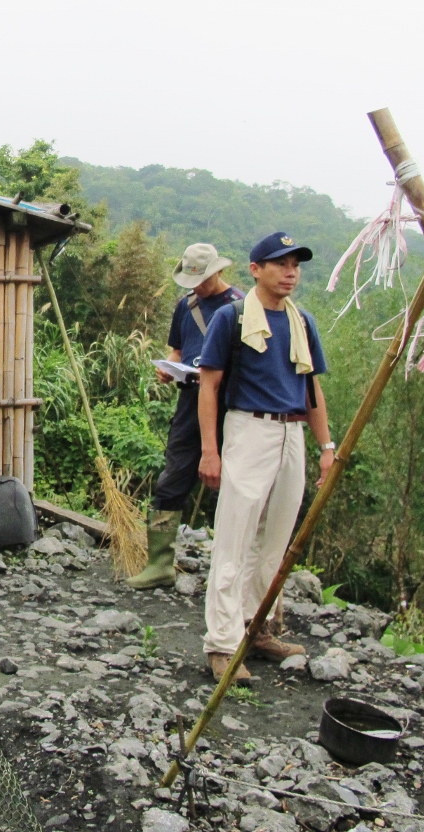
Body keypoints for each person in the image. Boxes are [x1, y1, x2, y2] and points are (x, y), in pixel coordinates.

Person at [196, 232, 334, 682]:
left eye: (295, 265)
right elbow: (209, 386)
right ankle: (222, 643)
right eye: (280, 264)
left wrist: (326, 447)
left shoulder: (302, 322)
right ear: (256, 270)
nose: (290, 273)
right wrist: (210, 451)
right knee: (234, 536)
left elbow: (312, 389)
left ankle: (256, 627)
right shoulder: (232, 318)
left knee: (275, 538)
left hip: (292, 431)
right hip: (249, 427)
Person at [126, 244, 242, 590]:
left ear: (218, 272)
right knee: (173, 474)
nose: (198, 287)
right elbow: (177, 349)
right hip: (190, 400)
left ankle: (233, 570)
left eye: (203, 280)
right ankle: (160, 564)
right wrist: (169, 367)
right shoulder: (186, 306)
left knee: (236, 482)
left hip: (232, 402)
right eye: (192, 281)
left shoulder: (240, 308)